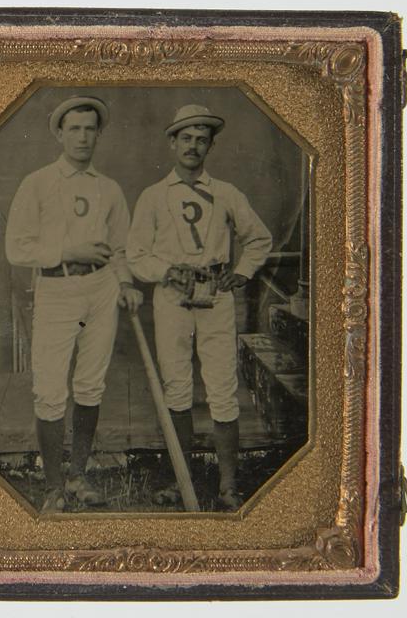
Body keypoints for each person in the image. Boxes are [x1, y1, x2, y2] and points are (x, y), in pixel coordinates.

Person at [127, 104, 272, 510]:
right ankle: (182, 480)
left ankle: (228, 484)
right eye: (186, 138)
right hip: (172, 298)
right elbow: (136, 254)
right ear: (173, 143)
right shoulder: (154, 196)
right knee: (176, 387)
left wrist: (241, 273)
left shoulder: (226, 193)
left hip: (215, 297)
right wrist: (166, 271)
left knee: (222, 387)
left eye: (201, 139)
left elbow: (259, 238)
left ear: (210, 146)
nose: (193, 146)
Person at [5, 96, 142, 513]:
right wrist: (69, 249)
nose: (83, 137)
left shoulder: (109, 188)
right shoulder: (39, 183)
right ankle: (52, 487)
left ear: (99, 135)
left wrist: (126, 282)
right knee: (49, 391)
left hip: (100, 291)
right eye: (75, 129)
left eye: (90, 129)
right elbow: (16, 248)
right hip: (57, 290)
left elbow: (120, 247)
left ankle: (78, 476)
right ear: (60, 134)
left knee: (89, 385)